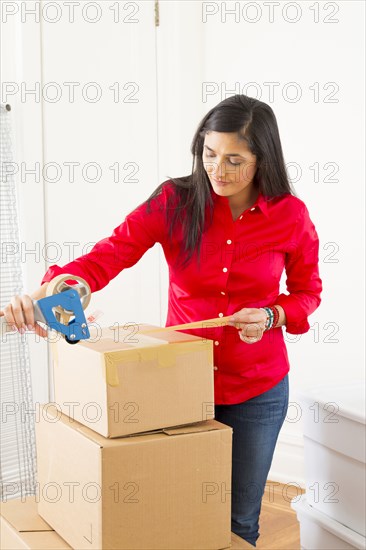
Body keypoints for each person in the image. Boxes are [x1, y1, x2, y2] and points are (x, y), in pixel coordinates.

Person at [0, 94, 322, 546]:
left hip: (257, 390)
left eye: (235, 160)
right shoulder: (175, 201)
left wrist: (273, 315)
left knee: (238, 521)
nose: (218, 169)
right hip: (178, 388)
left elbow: (308, 293)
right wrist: (48, 295)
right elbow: (110, 254)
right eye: (209, 154)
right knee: (179, 512)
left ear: (262, 159)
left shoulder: (290, 216)